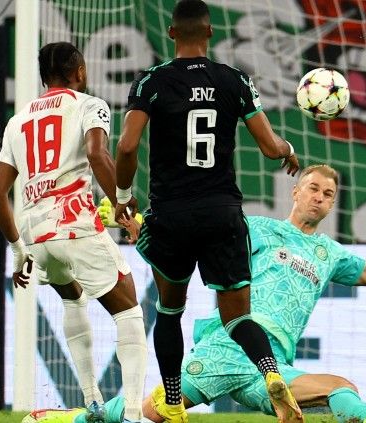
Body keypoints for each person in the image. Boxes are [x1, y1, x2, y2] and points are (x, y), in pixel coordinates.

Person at [22, 163, 366, 423]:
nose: (320, 196)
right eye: (313, 187)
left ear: (333, 204)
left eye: (329, 193)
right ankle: (76, 417)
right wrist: (138, 228)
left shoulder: (329, 253)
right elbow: (190, 254)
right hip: (228, 347)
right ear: (295, 192)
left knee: (340, 388)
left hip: (272, 365)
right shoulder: (254, 229)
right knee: (149, 414)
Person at [112, 1, 302, 422]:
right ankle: (271, 374)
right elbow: (271, 148)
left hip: (170, 215)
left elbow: (126, 147)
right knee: (237, 318)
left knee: (169, 310)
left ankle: (175, 403)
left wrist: (123, 194)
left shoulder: (151, 83)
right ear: (211, 32)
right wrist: (288, 150)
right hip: (222, 213)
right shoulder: (233, 81)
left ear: (171, 32)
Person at [0, 42, 147, 423]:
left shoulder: (18, 120)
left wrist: (17, 251)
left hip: (35, 234)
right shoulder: (89, 105)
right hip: (73, 222)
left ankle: (93, 403)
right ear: (78, 71)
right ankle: (130, 414)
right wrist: (124, 201)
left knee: (73, 300)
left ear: (44, 77)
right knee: (129, 313)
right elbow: (97, 154)